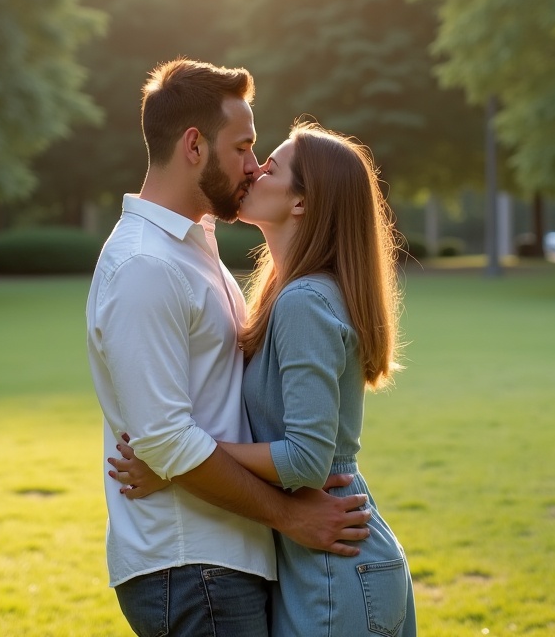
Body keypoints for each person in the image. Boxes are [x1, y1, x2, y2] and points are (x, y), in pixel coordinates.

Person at [86, 60, 373, 637]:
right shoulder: (145, 265)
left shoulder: (195, 249)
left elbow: (191, 431)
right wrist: (290, 515)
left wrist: (171, 462)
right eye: (243, 147)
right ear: (194, 145)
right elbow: (165, 438)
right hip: (191, 563)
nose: (253, 165)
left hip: (227, 555)